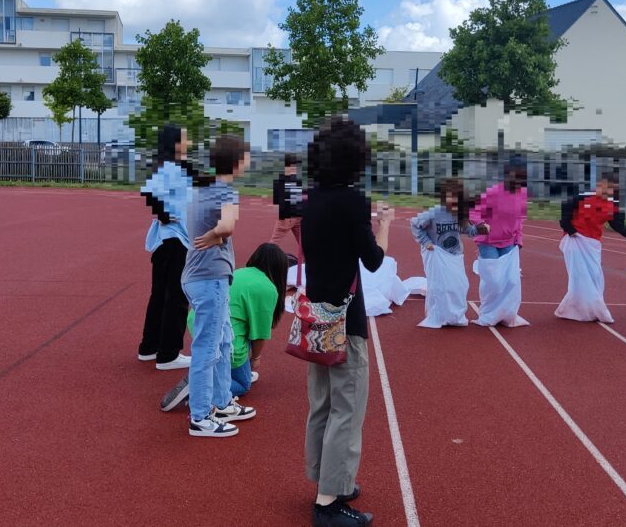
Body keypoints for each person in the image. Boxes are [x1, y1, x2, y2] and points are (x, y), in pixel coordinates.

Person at [302, 117, 393, 527]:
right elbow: (374, 260)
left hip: (316, 314)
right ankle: (327, 503)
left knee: (321, 403)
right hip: (344, 318)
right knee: (347, 408)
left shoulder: (312, 199)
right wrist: (384, 224)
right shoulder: (354, 202)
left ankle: (327, 480)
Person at [182, 135, 256, 437]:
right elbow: (228, 225)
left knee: (224, 341)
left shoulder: (202, 189)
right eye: (247, 156)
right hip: (208, 279)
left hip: (206, 278)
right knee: (207, 349)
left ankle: (222, 400)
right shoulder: (226, 192)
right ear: (238, 161)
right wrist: (217, 234)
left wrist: (217, 235)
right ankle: (200, 416)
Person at [162, 243, 290, 411]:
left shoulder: (239, 272)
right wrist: (255, 359)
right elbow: (259, 333)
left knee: (229, 346)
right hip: (225, 332)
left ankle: (204, 379)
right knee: (243, 384)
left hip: (199, 320)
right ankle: (200, 388)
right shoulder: (268, 288)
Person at [138, 125, 195, 371]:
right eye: (185, 138)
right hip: (177, 240)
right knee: (177, 297)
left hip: (163, 240)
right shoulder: (176, 169)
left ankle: (149, 347)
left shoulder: (162, 166)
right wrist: (164, 214)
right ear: (175, 143)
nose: (189, 141)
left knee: (159, 295)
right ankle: (169, 353)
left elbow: (149, 193)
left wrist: (161, 214)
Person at [555, 173, 626, 324]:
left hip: (592, 245)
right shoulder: (583, 196)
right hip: (575, 240)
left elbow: (619, 227)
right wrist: (568, 226)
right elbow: (566, 206)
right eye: (603, 187)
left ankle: (571, 309)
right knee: (580, 277)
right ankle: (595, 310)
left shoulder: (614, 207)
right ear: (598, 185)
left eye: (611, 189)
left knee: (595, 277)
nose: (606, 191)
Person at [410, 178, 483, 328]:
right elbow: (415, 224)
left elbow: (467, 230)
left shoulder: (460, 213)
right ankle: (437, 314)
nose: (452, 200)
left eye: (456, 197)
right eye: (449, 196)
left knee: (460, 285)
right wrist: (426, 242)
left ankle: (454, 315)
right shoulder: (435, 212)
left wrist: (479, 230)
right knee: (439, 286)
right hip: (436, 255)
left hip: (454, 255)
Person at [470, 156, 529, 328]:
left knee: (511, 280)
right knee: (493, 281)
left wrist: (519, 239)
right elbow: (474, 212)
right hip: (488, 242)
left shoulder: (523, 194)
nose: (518, 179)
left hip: (509, 242)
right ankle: (489, 313)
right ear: (506, 174)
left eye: (522, 175)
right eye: (515, 175)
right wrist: (480, 224)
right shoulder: (494, 192)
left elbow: (520, 219)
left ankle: (506, 313)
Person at [272, 153, 305, 249]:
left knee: (275, 241)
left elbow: (277, 202)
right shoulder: (298, 178)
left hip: (287, 215)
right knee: (303, 242)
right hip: (298, 215)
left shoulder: (281, 179)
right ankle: (307, 262)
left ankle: (267, 259)